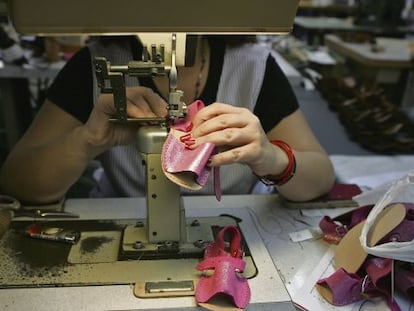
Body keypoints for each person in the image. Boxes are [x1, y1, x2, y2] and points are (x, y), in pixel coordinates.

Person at [0, 35, 335, 205]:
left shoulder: (253, 67)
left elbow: (320, 178)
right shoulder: (97, 65)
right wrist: (86, 141)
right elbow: (17, 182)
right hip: (125, 213)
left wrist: (272, 158)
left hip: (229, 228)